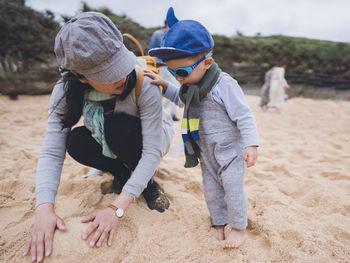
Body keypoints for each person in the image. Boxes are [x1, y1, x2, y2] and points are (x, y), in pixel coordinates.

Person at [24, 12, 174, 262]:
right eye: (108, 73)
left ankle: (148, 184)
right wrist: (43, 210)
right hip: (107, 136)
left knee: (119, 128)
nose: (123, 75)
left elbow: (151, 151)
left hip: (150, 139)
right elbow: (52, 151)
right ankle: (122, 173)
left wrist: (116, 208)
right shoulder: (64, 90)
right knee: (76, 141)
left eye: (119, 63)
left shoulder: (142, 81)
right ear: (79, 76)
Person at [146, 7, 259, 248]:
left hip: (230, 151)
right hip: (205, 150)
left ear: (207, 62)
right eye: (173, 71)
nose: (178, 77)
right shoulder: (189, 86)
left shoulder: (224, 85)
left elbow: (244, 116)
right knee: (211, 189)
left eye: (183, 71)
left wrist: (251, 144)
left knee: (232, 189)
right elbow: (182, 99)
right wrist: (165, 86)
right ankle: (219, 222)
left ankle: (238, 228)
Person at [149, 20, 180, 121]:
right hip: (162, 65)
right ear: (168, 23)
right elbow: (152, 50)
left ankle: (165, 112)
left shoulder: (171, 35)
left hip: (169, 65)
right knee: (175, 87)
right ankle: (168, 113)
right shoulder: (158, 34)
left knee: (170, 88)